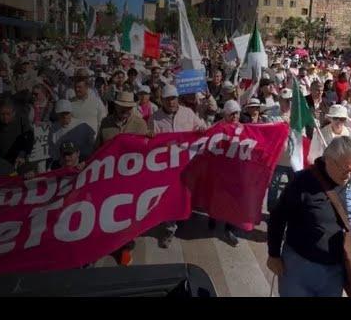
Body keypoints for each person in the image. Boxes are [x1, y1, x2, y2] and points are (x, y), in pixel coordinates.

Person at [267, 136, 351, 297]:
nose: (349, 176)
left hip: (334, 269)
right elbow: (277, 217)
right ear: (329, 160)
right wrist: (273, 254)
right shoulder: (302, 182)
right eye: (346, 169)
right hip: (299, 265)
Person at [95, 91, 150, 266]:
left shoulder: (140, 124)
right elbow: (98, 149)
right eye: (123, 107)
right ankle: (109, 243)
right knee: (110, 213)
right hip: (110, 178)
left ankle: (126, 247)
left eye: (129, 107)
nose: (126, 110)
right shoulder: (105, 124)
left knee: (128, 215)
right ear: (116, 106)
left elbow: (146, 151)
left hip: (132, 180)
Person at [149, 85, 207, 248]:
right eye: (167, 99)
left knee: (186, 194)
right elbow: (151, 143)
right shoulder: (155, 118)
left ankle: (185, 217)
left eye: (173, 98)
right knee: (169, 196)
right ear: (162, 101)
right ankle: (169, 228)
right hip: (167, 166)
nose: (171, 102)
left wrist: (201, 127)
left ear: (177, 98)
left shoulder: (188, 113)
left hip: (188, 163)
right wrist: (151, 136)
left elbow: (200, 126)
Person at [207, 99, 243, 247]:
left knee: (233, 201)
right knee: (216, 198)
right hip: (219, 171)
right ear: (226, 114)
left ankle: (229, 229)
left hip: (236, 173)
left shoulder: (243, 128)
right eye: (232, 114)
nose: (235, 116)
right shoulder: (217, 128)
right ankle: (213, 218)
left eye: (237, 113)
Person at [0, 100, 35, 169]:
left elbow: (29, 137)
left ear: (14, 113)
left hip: (18, 156)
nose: (5, 117)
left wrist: (23, 154)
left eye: (8, 114)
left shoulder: (21, 118)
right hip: (0, 155)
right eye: (2, 114)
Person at [266, 88, 294, 213]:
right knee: (273, 186)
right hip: (278, 158)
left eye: (290, 100)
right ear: (280, 100)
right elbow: (269, 128)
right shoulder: (272, 113)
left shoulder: (297, 115)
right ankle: (272, 211)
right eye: (285, 100)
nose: (288, 102)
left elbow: (303, 134)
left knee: (293, 187)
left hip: (293, 159)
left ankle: (290, 211)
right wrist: (283, 121)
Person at [48, 99, 95, 169]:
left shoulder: (82, 126)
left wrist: (86, 162)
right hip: (63, 165)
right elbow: (53, 150)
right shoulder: (53, 129)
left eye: (67, 113)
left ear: (71, 112)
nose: (64, 116)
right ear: (57, 114)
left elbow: (93, 147)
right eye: (62, 113)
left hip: (82, 165)